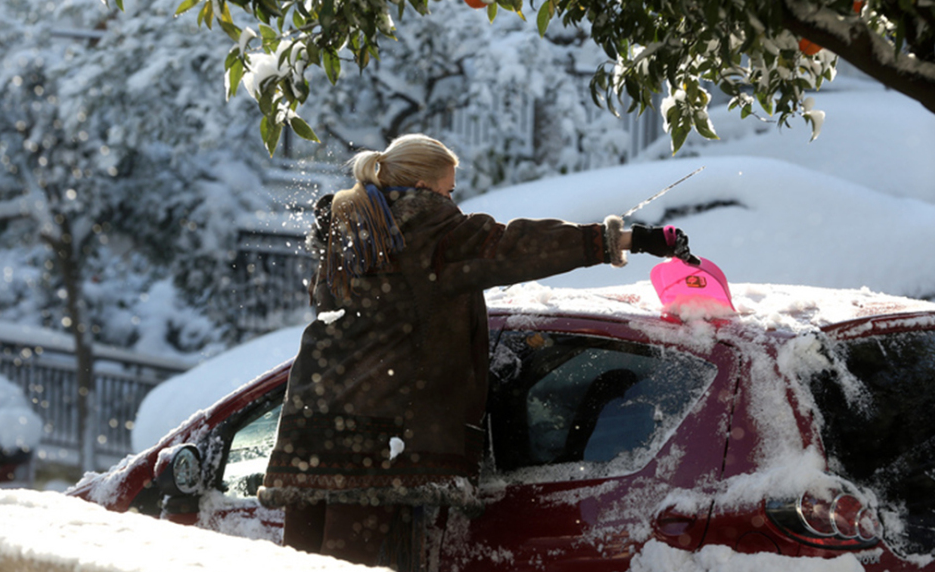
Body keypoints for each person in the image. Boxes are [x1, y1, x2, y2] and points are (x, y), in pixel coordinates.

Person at [258, 134, 696, 569]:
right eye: (449, 191)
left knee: (303, 560)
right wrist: (623, 240)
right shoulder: (431, 230)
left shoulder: (353, 225)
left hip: (312, 422)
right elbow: (519, 246)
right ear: (426, 189)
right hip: (378, 432)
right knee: (351, 561)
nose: (452, 201)